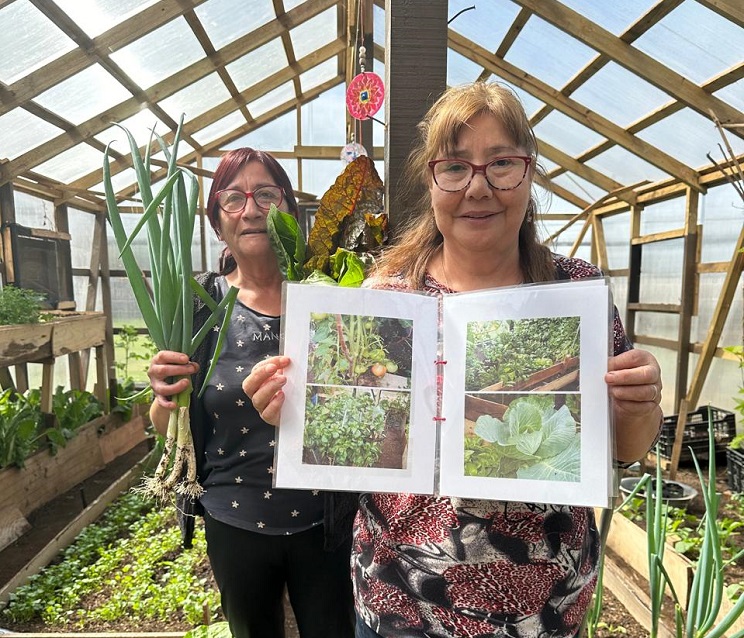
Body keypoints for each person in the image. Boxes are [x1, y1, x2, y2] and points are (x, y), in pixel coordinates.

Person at [243, 82, 664, 638]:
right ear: (432, 180)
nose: (479, 187)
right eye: (456, 167)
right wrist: (293, 410)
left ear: (529, 173)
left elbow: (627, 446)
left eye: (502, 164)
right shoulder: (386, 299)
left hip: (543, 609)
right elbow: (347, 447)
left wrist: (638, 405)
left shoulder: (575, 291)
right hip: (401, 601)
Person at [146, 148, 356, 638]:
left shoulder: (326, 294)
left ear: (288, 209)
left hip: (324, 522)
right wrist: (164, 397)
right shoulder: (198, 304)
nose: (251, 208)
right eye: (233, 199)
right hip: (234, 519)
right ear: (218, 224)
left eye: (266, 193)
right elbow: (167, 429)